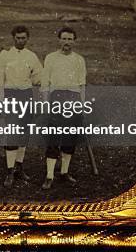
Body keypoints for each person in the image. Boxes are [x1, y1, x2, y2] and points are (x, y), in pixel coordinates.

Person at [0, 25, 43, 187]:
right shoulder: (5, 55)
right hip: (10, 95)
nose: (20, 41)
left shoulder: (32, 56)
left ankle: (19, 168)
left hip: (26, 96)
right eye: (18, 38)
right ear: (13, 38)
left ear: (27, 38)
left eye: (23, 38)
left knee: (23, 134)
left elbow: (38, 78)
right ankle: (9, 171)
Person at [41, 27, 86, 190]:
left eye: (70, 39)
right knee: (53, 139)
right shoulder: (51, 58)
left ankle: (64, 172)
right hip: (56, 98)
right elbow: (45, 84)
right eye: (64, 39)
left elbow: (82, 85)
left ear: (74, 41)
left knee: (69, 139)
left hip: (73, 99)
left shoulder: (79, 60)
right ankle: (49, 175)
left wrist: (82, 105)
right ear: (59, 40)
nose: (67, 42)